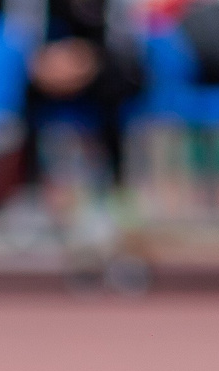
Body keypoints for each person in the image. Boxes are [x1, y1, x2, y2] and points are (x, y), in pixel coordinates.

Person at [17, 0, 150, 232]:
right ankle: (35, 190)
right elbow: (24, 36)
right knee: (21, 91)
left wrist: (87, 60)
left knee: (113, 91)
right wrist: (50, 63)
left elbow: (130, 41)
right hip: (52, 68)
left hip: (107, 66)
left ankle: (114, 188)